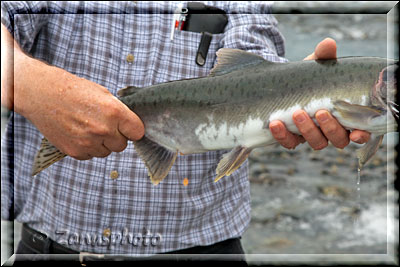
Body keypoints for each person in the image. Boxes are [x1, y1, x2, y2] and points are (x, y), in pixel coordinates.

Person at [1, 1, 370, 264]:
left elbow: (256, 49)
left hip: (204, 249)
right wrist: (29, 84)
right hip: (49, 248)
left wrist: (300, 89)